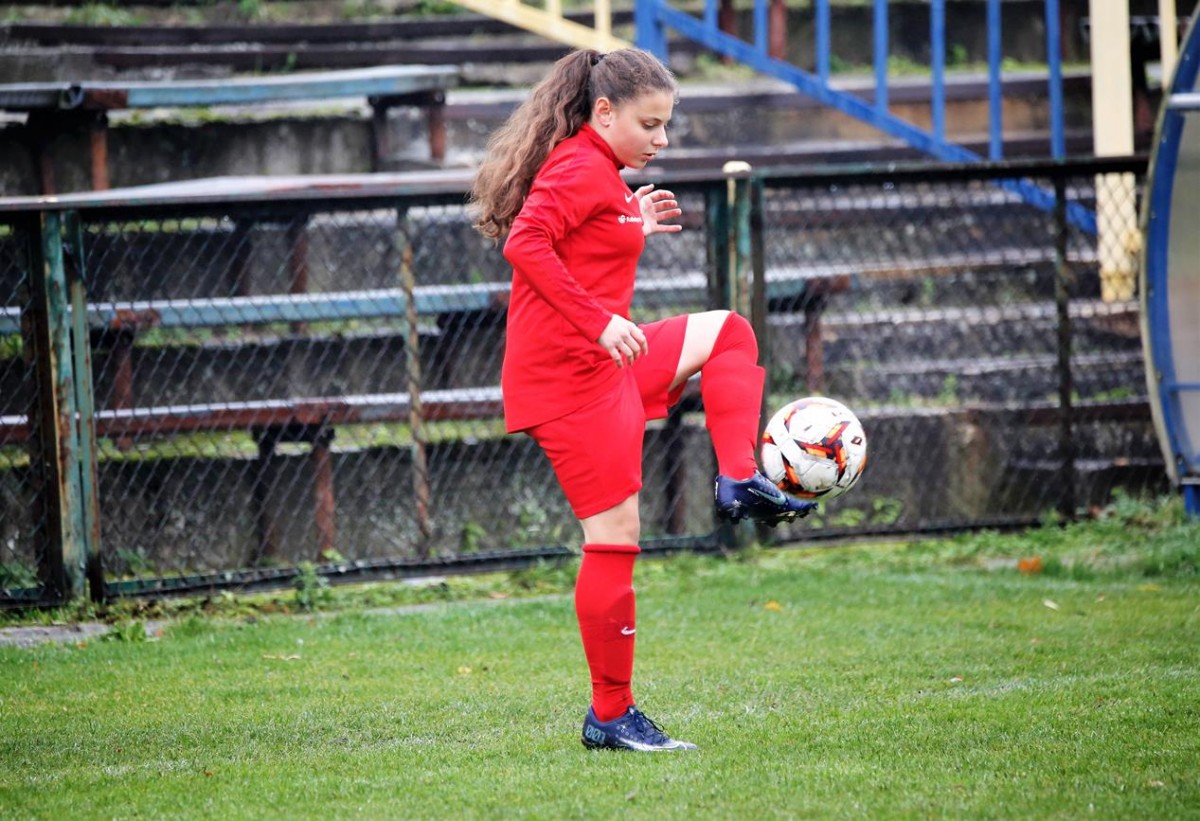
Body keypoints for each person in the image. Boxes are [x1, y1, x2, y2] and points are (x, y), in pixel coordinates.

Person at [469, 47, 815, 753]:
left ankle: (737, 478)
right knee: (614, 538)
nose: (662, 139)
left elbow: (581, 240)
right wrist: (598, 320)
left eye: (666, 124)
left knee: (729, 332)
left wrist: (630, 221)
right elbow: (527, 243)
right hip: (569, 379)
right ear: (604, 112)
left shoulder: (600, 170)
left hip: (605, 363)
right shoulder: (577, 165)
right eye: (650, 124)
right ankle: (611, 715)